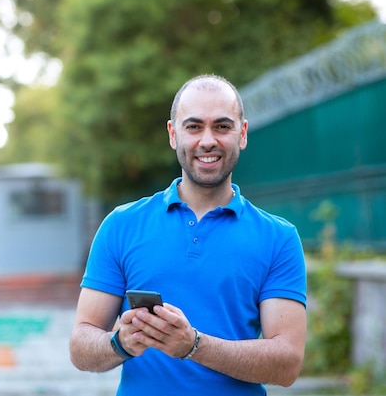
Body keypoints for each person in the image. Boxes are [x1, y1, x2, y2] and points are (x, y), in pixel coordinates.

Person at [69, 74, 307, 395]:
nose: (207, 140)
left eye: (222, 126)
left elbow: (287, 363)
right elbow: (81, 347)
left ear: (243, 134)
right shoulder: (121, 225)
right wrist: (121, 341)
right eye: (193, 126)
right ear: (173, 134)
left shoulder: (279, 238)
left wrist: (193, 345)